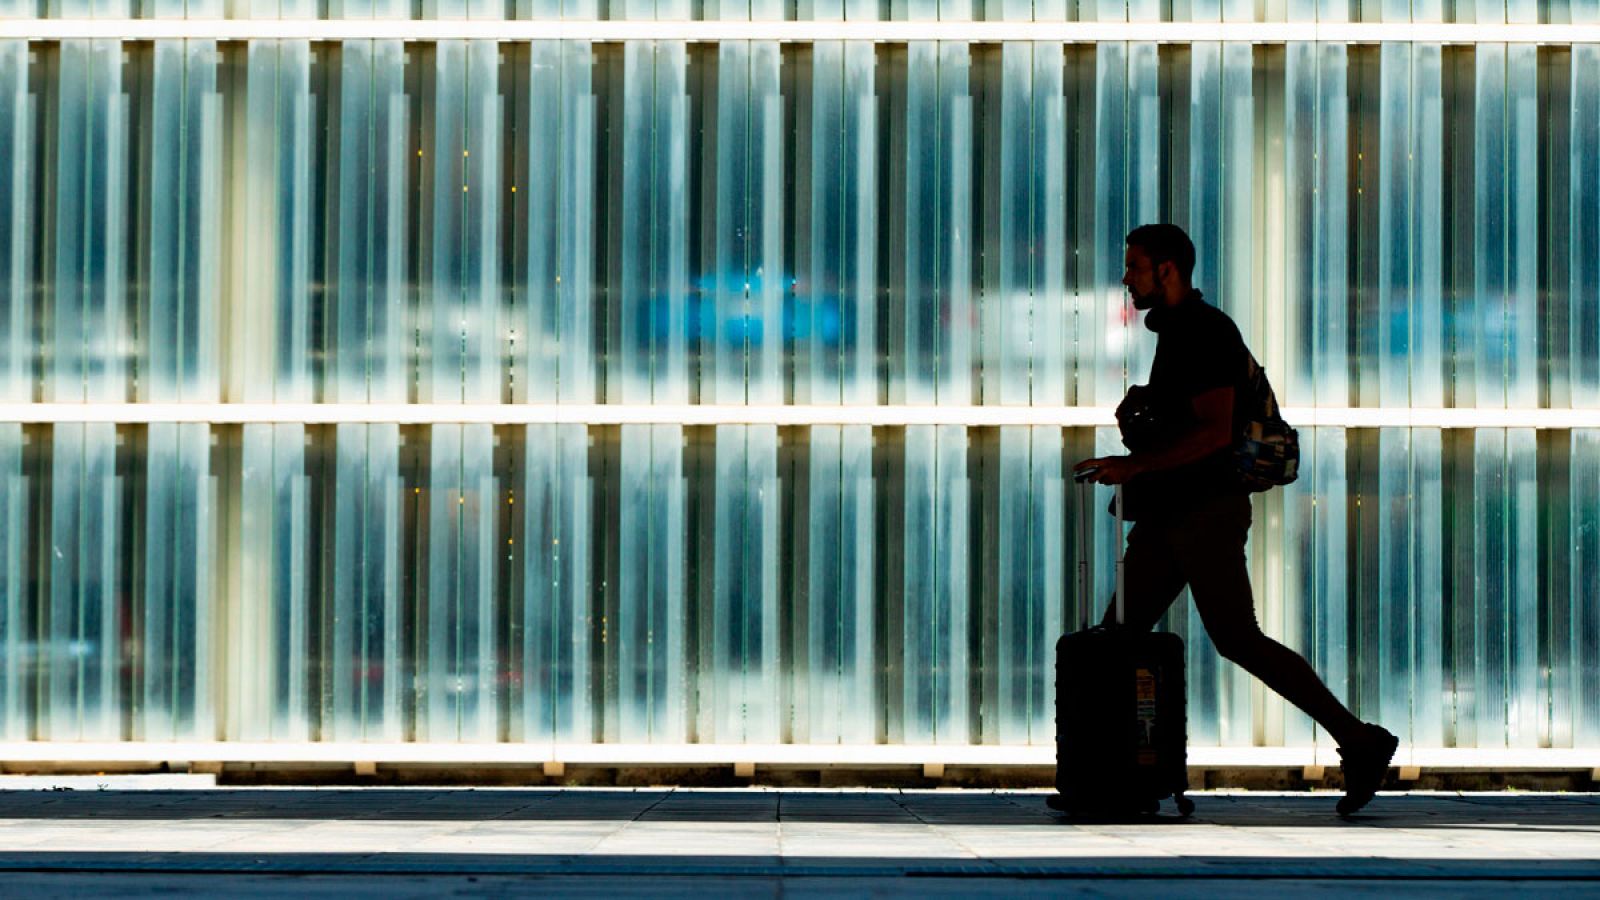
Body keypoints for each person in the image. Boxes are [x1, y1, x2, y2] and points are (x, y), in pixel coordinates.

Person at [1072, 224, 1398, 817]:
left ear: (1167, 269)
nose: (1126, 278)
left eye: (1135, 267)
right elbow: (1191, 424)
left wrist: (1134, 463)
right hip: (1175, 511)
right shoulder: (1179, 333)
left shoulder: (1203, 332)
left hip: (1203, 514)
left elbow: (1214, 433)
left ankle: (1360, 740)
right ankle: (1119, 780)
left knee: (1234, 638)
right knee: (1118, 638)